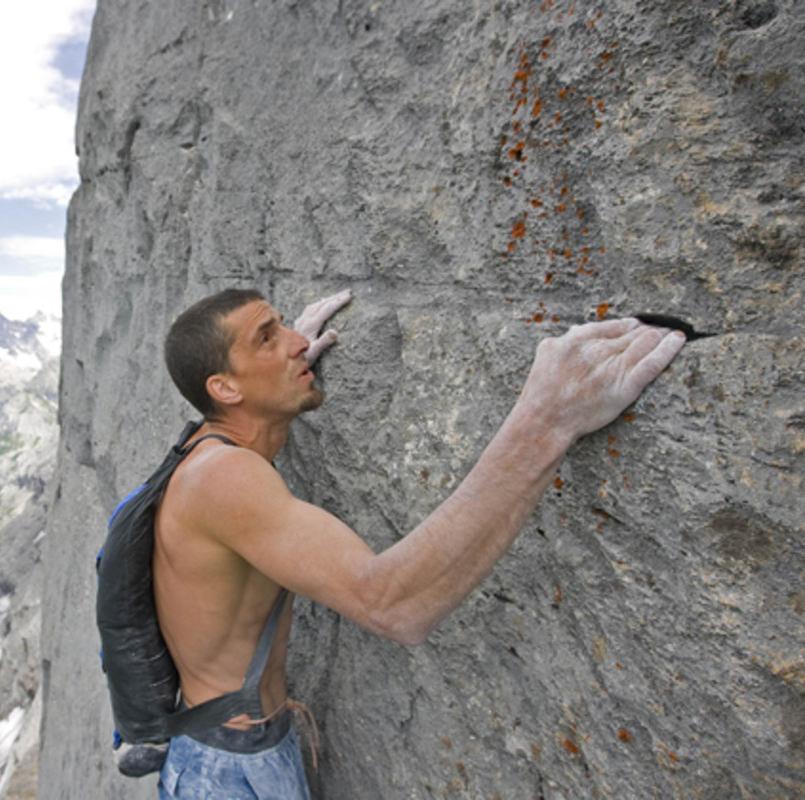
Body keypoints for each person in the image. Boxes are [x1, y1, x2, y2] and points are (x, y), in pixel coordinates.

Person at [152, 288, 687, 799]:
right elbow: (394, 604)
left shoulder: (217, 444)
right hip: (224, 775)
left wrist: (273, 377)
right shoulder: (221, 480)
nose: (296, 341)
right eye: (268, 337)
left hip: (241, 750)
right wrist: (548, 419)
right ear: (224, 389)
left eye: (286, 327)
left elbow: (239, 413)